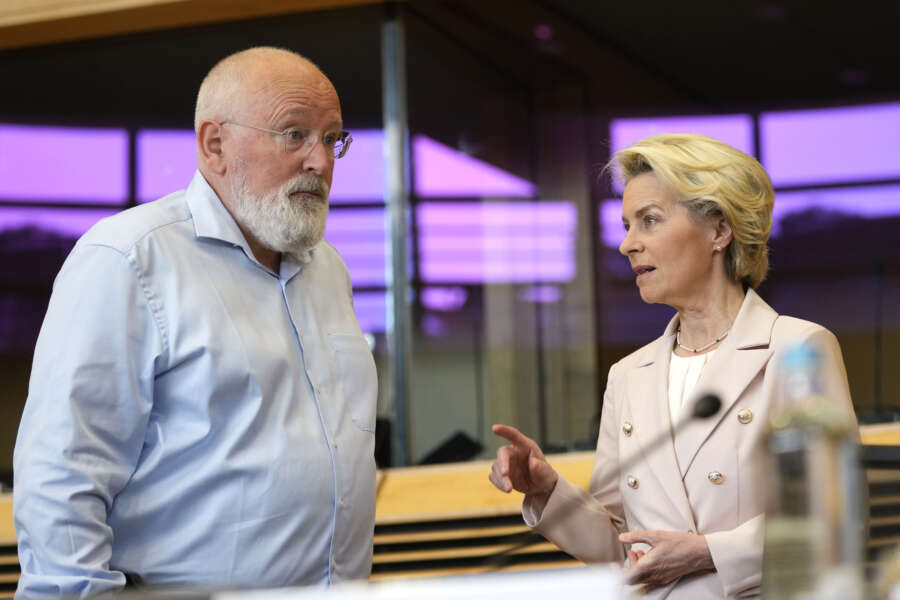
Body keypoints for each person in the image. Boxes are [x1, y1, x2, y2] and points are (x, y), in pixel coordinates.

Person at [13, 47, 377, 597]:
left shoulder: (329, 271)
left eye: (331, 139)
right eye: (294, 134)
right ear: (214, 144)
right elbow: (63, 475)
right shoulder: (128, 259)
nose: (320, 162)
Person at [489, 133, 859, 599]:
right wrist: (546, 489)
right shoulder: (627, 374)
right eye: (626, 225)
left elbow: (831, 518)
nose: (627, 244)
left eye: (649, 221)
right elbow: (619, 547)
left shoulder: (797, 348)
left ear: (719, 231)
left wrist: (708, 552)